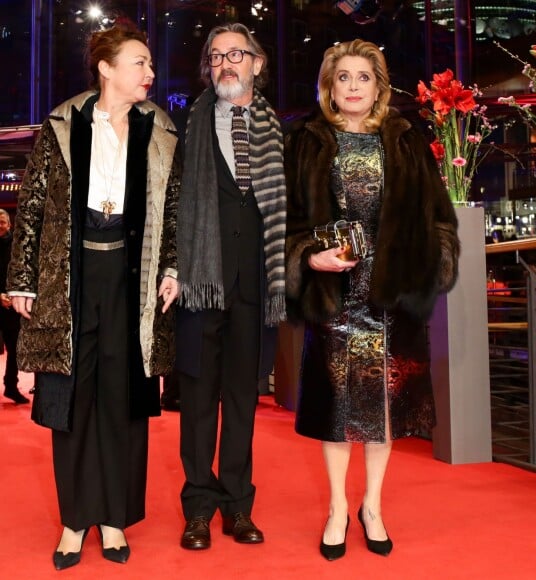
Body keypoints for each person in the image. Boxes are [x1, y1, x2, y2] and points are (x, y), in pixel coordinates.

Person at [7, 22, 180, 570]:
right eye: (139, 63)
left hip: (131, 277)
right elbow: (32, 205)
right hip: (71, 276)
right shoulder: (63, 123)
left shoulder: (160, 129)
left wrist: (171, 266)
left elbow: (171, 209)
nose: (149, 74)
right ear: (106, 68)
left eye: (150, 64)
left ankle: (114, 517)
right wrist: (22, 278)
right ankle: (74, 519)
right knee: (74, 400)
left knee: (124, 398)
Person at [284, 39, 459, 561]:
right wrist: (310, 257)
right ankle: (338, 507)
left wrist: (430, 263)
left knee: (385, 408)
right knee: (337, 409)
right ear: (329, 87)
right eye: (344, 78)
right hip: (334, 296)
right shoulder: (308, 142)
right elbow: (287, 220)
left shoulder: (404, 139)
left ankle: (373, 506)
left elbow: (439, 217)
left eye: (364, 77)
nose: (354, 86)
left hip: (393, 298)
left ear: (379, 86)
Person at [176, 22, 286, 550]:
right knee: (198, 398)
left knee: (242, 398)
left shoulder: (277, 131)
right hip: (202, 282)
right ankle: (198, 506)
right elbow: (172, 207)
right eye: (216, 55)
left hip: (256, 280)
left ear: (257, 64)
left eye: (236, 54)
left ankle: (237, 505)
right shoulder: (188, 125)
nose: (226, 63)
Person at [0, 209, 28, 404]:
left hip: (11, 305)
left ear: (9, 224)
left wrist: (13, 294)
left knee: (14, 349)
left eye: (2, 222)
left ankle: (11, 386)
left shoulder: (16, 246)